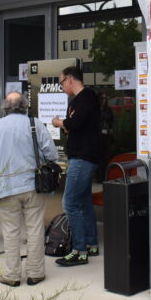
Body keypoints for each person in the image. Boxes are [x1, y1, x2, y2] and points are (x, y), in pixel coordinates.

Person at [0, 91, 57, 287]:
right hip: (33, 186)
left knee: (11, 232)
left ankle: (12, 275)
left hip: (4, 187)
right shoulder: (35, 124)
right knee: (35, 229)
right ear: (24, 106)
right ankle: (35, 273)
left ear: (5, 107)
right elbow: (51, 154)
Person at [51, 66, 101, 266]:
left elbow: (74, 124)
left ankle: (79, 250)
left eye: (62, 82)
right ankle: (91, 244)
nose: (62, 87)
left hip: (82, 158)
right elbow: (71, 128)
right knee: (84, 202)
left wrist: (59, 122)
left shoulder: (86, 97)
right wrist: (66, 124)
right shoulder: (77, 101)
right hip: (82, 156)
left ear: (70, 79)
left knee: (69, 203)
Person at [96, 92, 115, 183]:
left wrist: (110, 130)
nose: (103, 100)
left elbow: (111, 122)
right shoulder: (95, 109)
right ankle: (99, 177)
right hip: (97, 136)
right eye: (101, 98)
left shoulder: (108, 110)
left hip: (106, 136)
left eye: (104, 98)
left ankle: (105, 177)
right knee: (98, 157)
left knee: (105, 157)